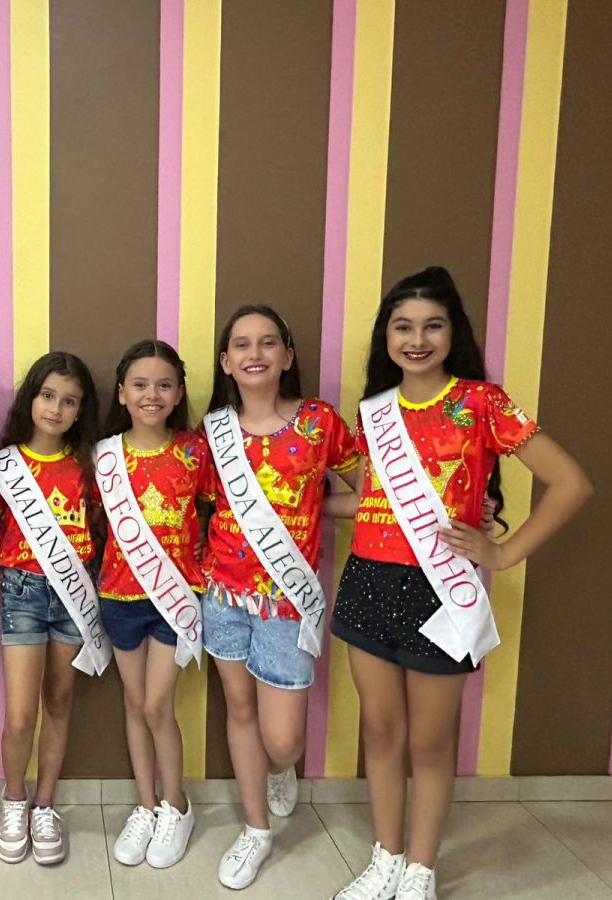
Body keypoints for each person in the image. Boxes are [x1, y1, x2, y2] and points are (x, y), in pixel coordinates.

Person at [329, 267, 592, 900]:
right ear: (385, 337)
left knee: (428, 740)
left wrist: (501, 553)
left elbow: (572, 483)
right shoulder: (372, 414)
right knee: (382, 733)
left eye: (432, 326)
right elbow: (371, 500)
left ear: (453, 333)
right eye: (403, 327)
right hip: (367, 580)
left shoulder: (483, 403)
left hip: (440, 590)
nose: (416, 339)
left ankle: (420, 870)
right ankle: (385, 858)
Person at [199, 306, 358, 889]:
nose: (255, 352)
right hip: (221, 596)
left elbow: (369, 494)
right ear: (226, 362)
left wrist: (315, 507)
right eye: (241, 344)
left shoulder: (319, 422)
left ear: (288, 356)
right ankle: (256, 830)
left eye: (269, 342)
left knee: (283, 740)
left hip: (287, 602)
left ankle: (280, 769)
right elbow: (208, 505)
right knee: (239, 710)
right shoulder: (213, 432)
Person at [95, 339, 210, 870]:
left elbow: (225, 511)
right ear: (121, 393)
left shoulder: (196, 451)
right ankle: (145, 805)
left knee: (155, 706)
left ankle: (176, 805)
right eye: (140, 384)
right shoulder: (103, 457)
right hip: (118, 595)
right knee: (133, 706)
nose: (152, 394)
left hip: (176, 598)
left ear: (179, 392)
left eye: (164, 384)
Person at [0, 351, 108, 865]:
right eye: (47, 395)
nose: (56, 409)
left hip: (74, 593)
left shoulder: (92, 465)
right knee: (20, 713)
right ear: (30, 398)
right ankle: (14, 800)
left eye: (69, 401)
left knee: (60, 702)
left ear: (81, 411)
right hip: (21, 591)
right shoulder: (3, 463)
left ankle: (44, 804)